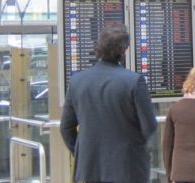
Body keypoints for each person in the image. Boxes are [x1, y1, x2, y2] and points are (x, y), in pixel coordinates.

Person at [60, 25, 157, 183]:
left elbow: (66, 128)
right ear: (122, 51)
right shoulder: (134, 81)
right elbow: (150, 126)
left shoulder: (77, 81)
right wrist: (136, 149)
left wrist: (84, 151)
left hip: (89, 169)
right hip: (128, 168)